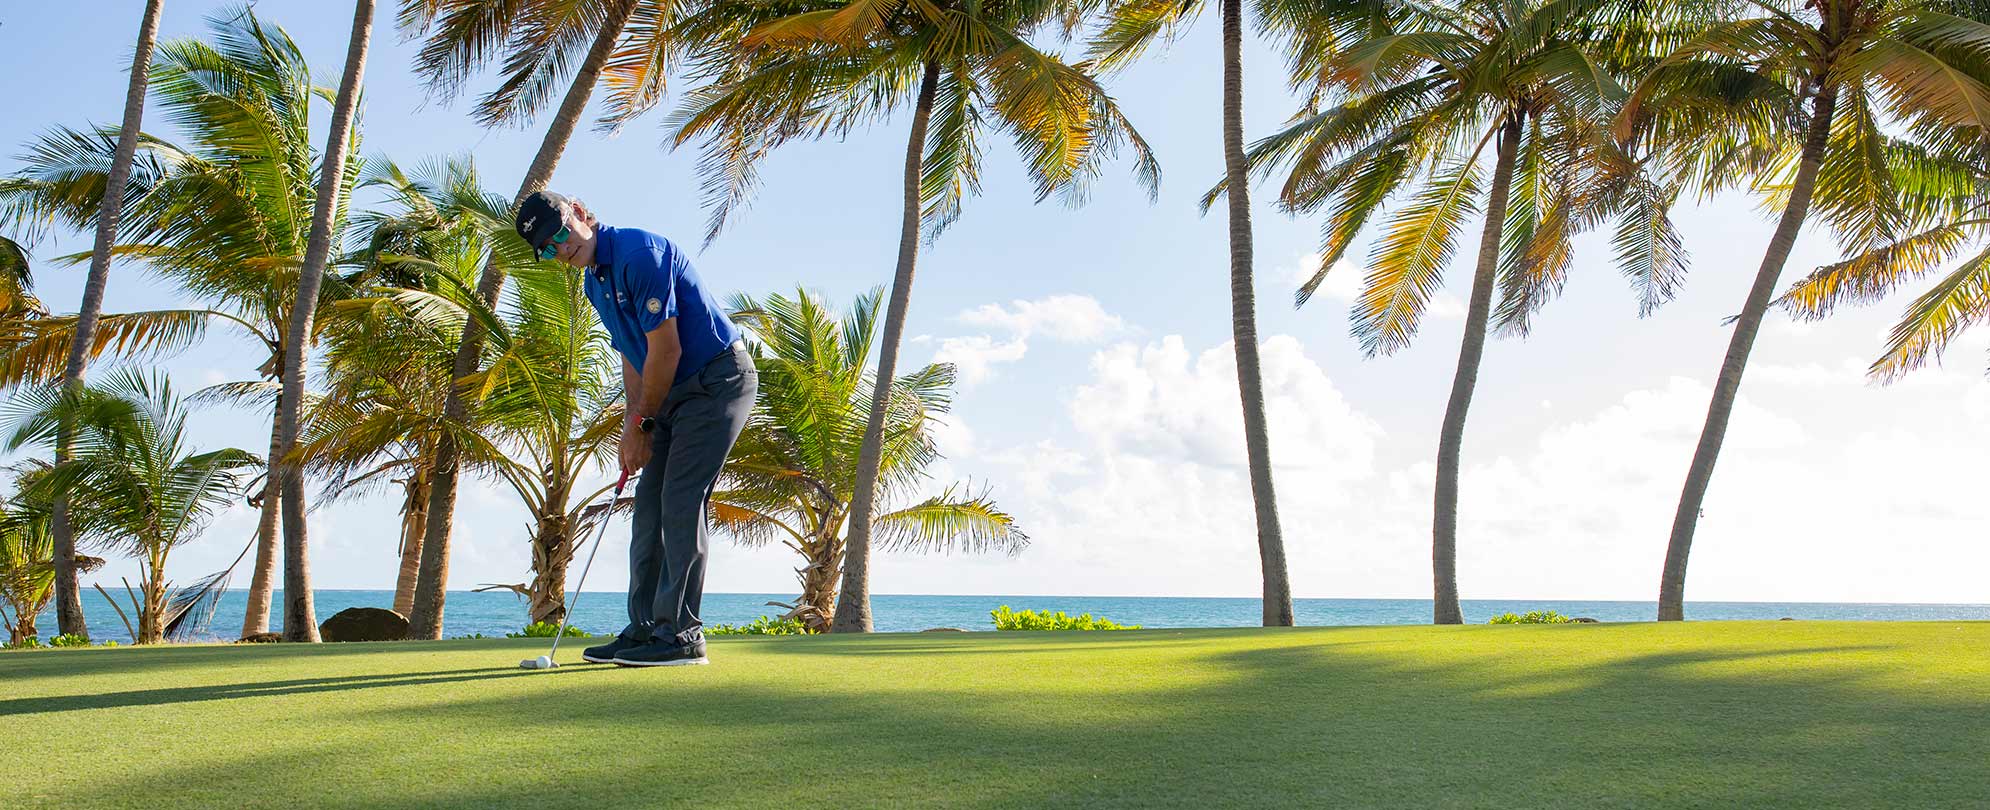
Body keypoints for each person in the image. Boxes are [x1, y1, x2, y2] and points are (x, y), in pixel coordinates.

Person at [513, 190, 756, 667]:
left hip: (717, 381)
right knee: (647, 506)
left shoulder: (638, 255)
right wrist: (632, 422)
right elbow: (634, 355)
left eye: (560, 233)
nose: (559, 249)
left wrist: (644, 422)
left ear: (581, 213)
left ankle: (682, 636)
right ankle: (645, 629)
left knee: (681, 498)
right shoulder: (594, 283)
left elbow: (666, 350)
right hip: (672, 391)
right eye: (546, 248)